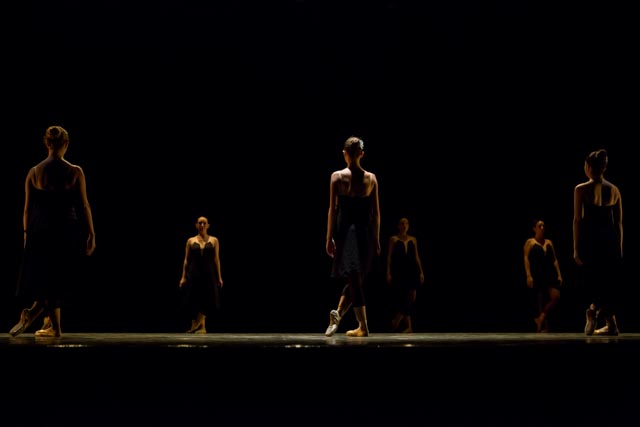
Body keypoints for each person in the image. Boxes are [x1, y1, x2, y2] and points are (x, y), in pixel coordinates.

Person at [9, 125, 96, 338]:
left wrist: (26, 234)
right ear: (66, 144)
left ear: (47, 143)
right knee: (57, 278)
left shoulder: (34, 172)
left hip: (40, 230)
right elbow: (84, 205)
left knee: (48, 277)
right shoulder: (75, 171)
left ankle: (41, 319)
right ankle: (52, 326)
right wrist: (91, 233)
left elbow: (27, 208)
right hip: (66, 230)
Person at [324, 136, 381, 337]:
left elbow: (332, 210)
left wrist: (328, 237)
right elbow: (376, 214)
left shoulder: (337, 177)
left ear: (344, 154)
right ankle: (354, 321)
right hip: (364, 233)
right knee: (355, 277)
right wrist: (376, 238)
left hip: (346, 232)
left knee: (356, 278)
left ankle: (350, 320)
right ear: (361, 154)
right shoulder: (371, 178)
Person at [573, 149, 623, 336]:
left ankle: (593, 312)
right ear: (604, 167)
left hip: (591, 240)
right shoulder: (614, 189)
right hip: (609, 240)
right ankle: (609, 322)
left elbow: (577, 220)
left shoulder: (581, 189)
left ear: (587, 167)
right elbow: (618, 223)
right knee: (607, 282)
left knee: (596, 281)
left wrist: (576, 248)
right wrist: (619, 247)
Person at [179, 216, 224, 334]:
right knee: (193, 297)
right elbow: (186, 260)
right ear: (196, 225)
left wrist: (219, 277)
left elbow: (216, 259)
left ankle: (201, 326)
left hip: (209, 273)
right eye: (200, 223)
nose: (202, 225)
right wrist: (183, 277)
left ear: (208, 225)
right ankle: (197, 325)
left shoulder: (214, 240)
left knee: (207, 297)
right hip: (194, 273)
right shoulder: (190, 240)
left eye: (204, 223)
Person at [523, 219, 563, 333]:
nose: (542, 228)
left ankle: (541, 318)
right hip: (537, 274)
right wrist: (528, 275)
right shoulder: (530, 242)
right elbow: (526, 258)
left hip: (550, 274)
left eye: (543, 226)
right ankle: (541, 328)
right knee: (540, 300)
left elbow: (555, 260)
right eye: (539, 226)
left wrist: (559, 274)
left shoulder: (549, 242)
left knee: (556, 296)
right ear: (534, 228)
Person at [386, 217, 425, 333]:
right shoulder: (393, 239)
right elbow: (389, 257)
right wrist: (388, 272)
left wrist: (421, 271)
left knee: (411, 297)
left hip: (412, 271)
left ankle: (397, 319)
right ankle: (409, 327)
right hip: (399, 271)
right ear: (398, 226)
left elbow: (417, 256)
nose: (404, 225)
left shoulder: (413, 239)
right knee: (403, 297)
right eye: (402, 223)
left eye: (406, 223)